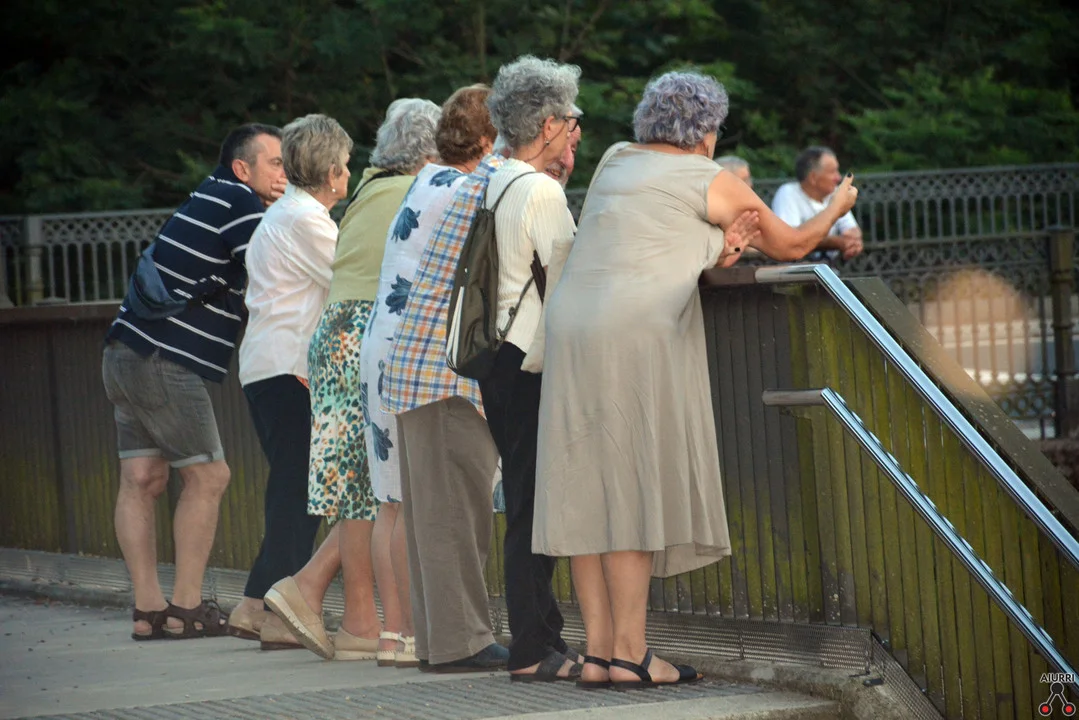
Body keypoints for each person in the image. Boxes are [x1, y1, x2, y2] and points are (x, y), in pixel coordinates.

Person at [534, 70, 857, 689]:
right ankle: (632, 656)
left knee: (585, 488)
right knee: (629, 488)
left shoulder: (615, 159)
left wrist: (719, 247)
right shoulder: (711, 178)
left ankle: (598, 654)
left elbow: (647, 238)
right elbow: (793, 246)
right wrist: (836, 208)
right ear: (706, 131)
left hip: (571, 328)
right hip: (633, 332)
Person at [263, 100, 440, 662]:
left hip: (334, 330)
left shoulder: (366, 190)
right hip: (370, 327)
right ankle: (344, 606)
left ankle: (357, 619)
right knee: (381, 490)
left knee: (355, 489)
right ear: (430, 154)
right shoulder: (418, 190)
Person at [102, 123, 286, 640]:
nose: (285, 176)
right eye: (276, 164)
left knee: (141, 478)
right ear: (242, 168)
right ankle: (186, 609)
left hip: (123, 350)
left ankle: (148, 612)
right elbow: (280, 268)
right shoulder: (239, 201)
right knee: (209, 477)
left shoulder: (207, 196)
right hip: (164, 360)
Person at [358, 86, 498, 668]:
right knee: (448, 508)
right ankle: (456, 642)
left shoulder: (426, 181)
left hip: (394, 354)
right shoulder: (471, 189)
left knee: (408, 505)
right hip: (436, 363)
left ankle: (424, 637)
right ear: (488, 139)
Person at [476, 55, 585, 682]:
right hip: (530, 360)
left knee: (524, 500)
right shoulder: (541, 191)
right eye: (570, 120)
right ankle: (533, 647)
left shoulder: (498, 180)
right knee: (532, 505)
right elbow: (570, 280)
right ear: (547, 125)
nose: (575, 131)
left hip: (498, 356)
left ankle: (542, 635)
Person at [229, 114, 354, 652]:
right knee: (301, 494)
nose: (348, 173)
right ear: (330, 172)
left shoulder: (285, 215)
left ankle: (257, 606)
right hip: (287, 368)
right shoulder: (306, 220)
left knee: (293, 490)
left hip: (269, 365)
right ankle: (272, 609)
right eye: (345, 164)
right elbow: (352, 280)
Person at [771, 146, 863, 262]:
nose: (838, 177)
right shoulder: (788, 193)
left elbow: (852, 230)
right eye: (832, 172)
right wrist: (836, 242)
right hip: (796, 269)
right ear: (813, 177)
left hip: (831, 267)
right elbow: (790, 239)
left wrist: (853, 242)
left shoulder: (834, 193)